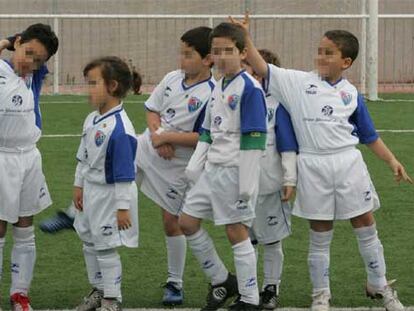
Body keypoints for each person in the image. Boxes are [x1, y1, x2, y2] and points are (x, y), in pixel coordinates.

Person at [230, 13, 412, 311]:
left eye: (329, 52)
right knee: (320, 230)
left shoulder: (352, 94)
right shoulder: (297, 82)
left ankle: (378, 283)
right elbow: (261, 66)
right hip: (313, 166)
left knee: (365, 222)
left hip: (349, 165)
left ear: (346, 62)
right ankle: (321, 294)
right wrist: (244, 37)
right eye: (319, 50)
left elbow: (368, 135)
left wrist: (392, 160)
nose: (320, 56)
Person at [178, 22, 268, 310]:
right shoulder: (218, 86)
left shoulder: (250, 89)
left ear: (242, 53)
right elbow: (206, 131)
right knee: (187, 222)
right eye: (216, 51)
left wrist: (247, 183)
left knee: (235, 231)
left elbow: (255, 138)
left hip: (233, 169)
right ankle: (222, 279)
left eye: (228, 50)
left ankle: (250, 299)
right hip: (212, 170)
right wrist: (194, 167)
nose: (221, 56)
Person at [135, 26, 213, 306]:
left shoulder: (213, 92)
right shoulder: (171, 78)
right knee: (116, 163)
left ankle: (175, 283)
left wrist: (168, 138)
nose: (182, 60)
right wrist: (157, 135)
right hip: (150, 146)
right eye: (181, 53)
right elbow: (152, 109)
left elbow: (205, 137)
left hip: (180, 164)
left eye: (188, 54)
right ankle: (75, 214)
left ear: (208, 59)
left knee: (173, 222)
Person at [0, 24, 58, 311]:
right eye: (28, 53)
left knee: (25, 225)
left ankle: (20, 293)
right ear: (18, 43)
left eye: (39, 60)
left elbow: (36, 63)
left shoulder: (34, 76)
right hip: (1, 157)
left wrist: (29, 56)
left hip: (29, 159)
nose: (30, 62)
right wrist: (7, 41)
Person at [73, 56, 139, 311]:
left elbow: (125, 173)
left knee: (106, 245)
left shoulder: (120, 129)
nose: (87, 90)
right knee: (89, 240)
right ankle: (99, 290)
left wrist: (122, 207)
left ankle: (113, 299)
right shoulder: (92, 119)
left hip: (110, 194)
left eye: (92, 83)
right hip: (91, 191)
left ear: (111, 86)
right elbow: (83, 156)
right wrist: (78, 185)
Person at [242, 49, 298, 310]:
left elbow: (287, 146)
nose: (247, 74)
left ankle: (271, 287)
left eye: (252, 69)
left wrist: (289, 179)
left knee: (272, 239)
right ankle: (249, 288)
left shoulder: (277, 105)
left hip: (269, 185)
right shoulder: (236, 100)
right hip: (241, 185)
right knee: (246, 239)